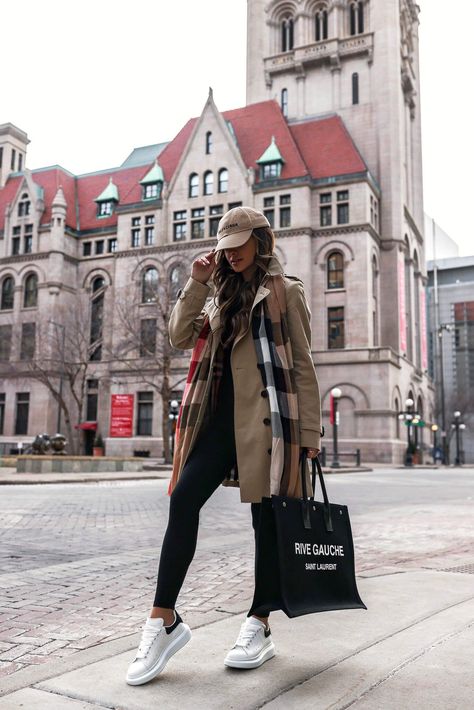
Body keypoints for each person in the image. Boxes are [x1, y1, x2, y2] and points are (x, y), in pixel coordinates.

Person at [126, 206, 322, 685]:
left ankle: (259, 623)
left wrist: (310, 437)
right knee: (183, 499)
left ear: (260, 241)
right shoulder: (216, 294)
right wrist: (196, 283)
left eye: (238, 245)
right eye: (224, 246)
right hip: (214, 422)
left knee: (267, 522)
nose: (230, 255)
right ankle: (164, 620)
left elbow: (301, 364)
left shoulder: (285, 292)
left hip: (267, 424)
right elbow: (176, 336)